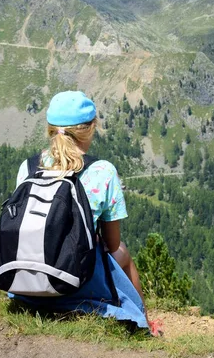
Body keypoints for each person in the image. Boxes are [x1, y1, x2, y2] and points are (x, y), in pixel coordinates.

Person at [12, 90, 162, 336]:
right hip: (76, 280)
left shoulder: (28, 167)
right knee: (122, 251)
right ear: (91, 128)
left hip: (27, 278)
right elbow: (112, 244)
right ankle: (144, 323)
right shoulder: (102, 171)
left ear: (50, 129)